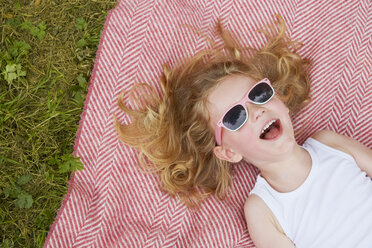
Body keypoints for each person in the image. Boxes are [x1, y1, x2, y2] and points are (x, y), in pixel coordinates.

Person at [114, 15, 372, 247]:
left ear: (279, 98)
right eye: (235, 116)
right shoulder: (263, 209)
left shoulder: (329, 143)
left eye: (259, 95)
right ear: (228, 152)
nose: (256, 111)